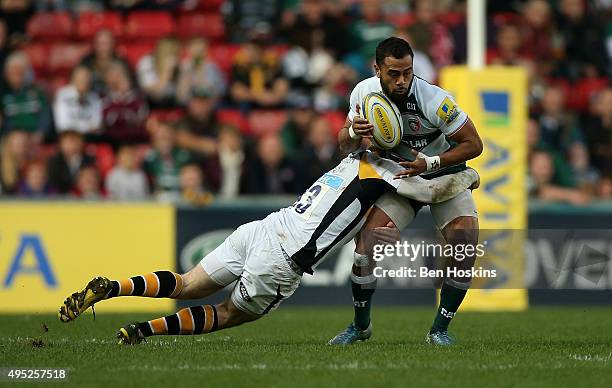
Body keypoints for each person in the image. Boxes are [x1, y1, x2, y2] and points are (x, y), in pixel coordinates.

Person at [58, 147, 479, 344]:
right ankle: (141, 331)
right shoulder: (387, 171)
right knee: (227, 315)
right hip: (282, 259)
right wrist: (466, 178)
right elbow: (430, 190)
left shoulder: (353, 156)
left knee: (187, 283)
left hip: (263, 226)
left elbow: (347, 137)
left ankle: (114, 288)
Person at [329, 37, 483, 346]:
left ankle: (439, 330)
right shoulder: (363, 92)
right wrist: (351, 133)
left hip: (445, 175)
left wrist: (430, 162)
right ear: (378, 70)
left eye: (407, 73)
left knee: (465, 246)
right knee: (365, 250)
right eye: (394, 73)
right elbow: (343, 145)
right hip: (401, 177)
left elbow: (474, 145)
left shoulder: (434, 99)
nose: (402, 81)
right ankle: (360, 326)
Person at [53, 65, 102, 136]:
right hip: (69, 137)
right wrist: (87, 127)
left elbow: (97, 125)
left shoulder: (94, 98)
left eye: (86, 78)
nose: (84, 81)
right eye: (81, 78)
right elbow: (63, 125)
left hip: (90, 137)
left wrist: (76, 126)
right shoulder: (62, 95)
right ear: (73, 79)